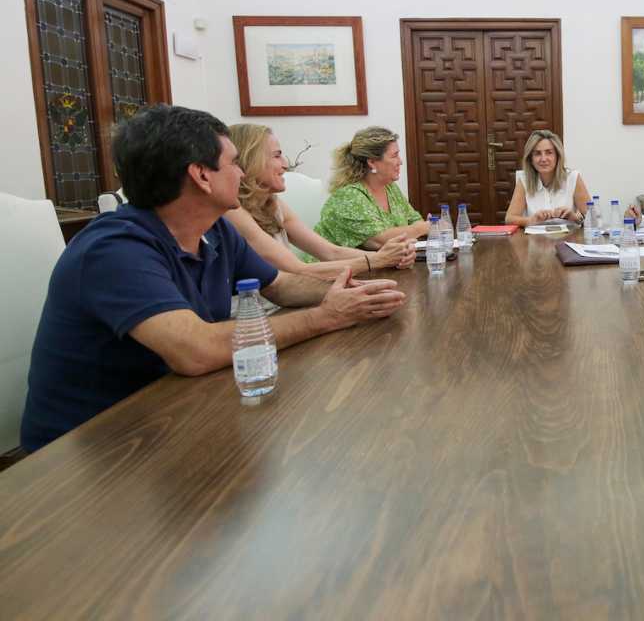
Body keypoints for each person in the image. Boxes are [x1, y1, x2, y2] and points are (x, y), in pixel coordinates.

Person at [20, 106, 407, 452]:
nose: (242, 174)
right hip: (92, 452)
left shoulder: (215, 229)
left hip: (177, 412)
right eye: (234, 163)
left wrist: (352, 292)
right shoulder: (114, 248)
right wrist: (328, 316)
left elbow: (283, 285)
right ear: (201, 176)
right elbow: (196, 350)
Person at [225, 124, 416, 278]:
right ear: (251, 160)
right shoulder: (232, 211)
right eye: (277, 155)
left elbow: (330, 252)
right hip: (261, 312)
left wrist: (388, 257)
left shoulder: (273, 203)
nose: (285, 164)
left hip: (296, 293)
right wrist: (379, 259)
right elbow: (298, 270)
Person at [312, 127, 430, 251]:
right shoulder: (348, 197)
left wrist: (418, 228)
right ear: (372, 162)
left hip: (376, 264)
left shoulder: (389, 187)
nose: (400, 162)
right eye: (394, 156)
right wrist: (422, 228)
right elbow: (379, 241)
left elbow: (414, 219)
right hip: (330, 268)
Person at [505, 130, 591, 226]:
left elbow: (592, 217)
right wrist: (531, 220)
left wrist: (574, 217)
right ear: (530, 159)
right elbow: (509, 218)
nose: (543, 159)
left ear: (557, 156)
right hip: (535, 239)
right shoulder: (525, 180)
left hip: (568, 237)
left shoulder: (573, 177)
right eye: (537, 153)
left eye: (549, 152)